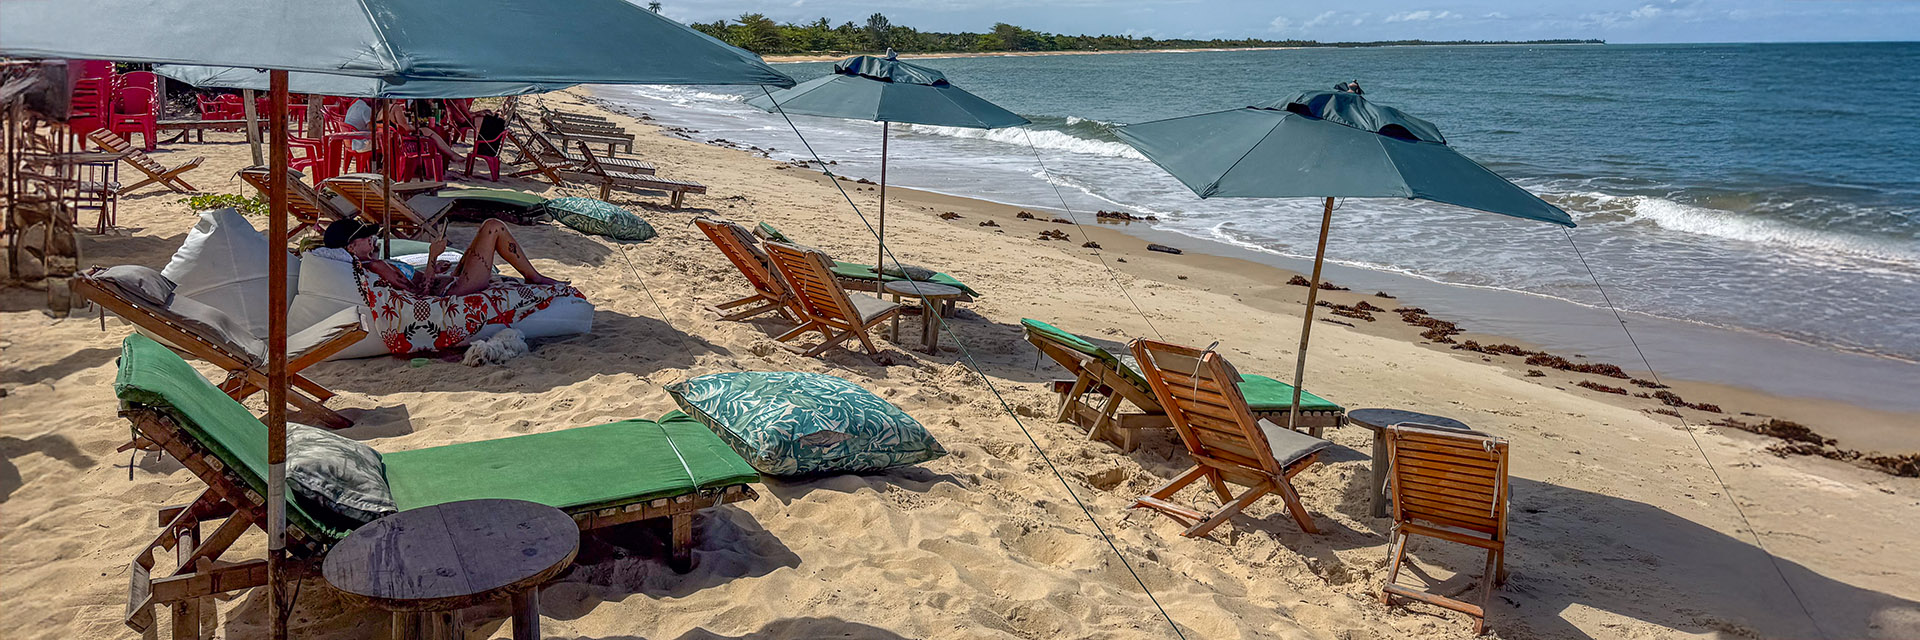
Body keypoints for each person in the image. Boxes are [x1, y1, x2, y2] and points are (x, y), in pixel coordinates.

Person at [322, 218, 566, 297]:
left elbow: (416, 281)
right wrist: (430, 258)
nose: (371, 240)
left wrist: (435, 268)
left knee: (483, 235)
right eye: (366, 239)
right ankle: (534, 277)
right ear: (352, 247)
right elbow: (419, 295)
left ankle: (534, 276)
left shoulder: (372, 262)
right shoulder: (375, 266)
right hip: (451, 291)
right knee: (493, 227)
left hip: (447, 281)